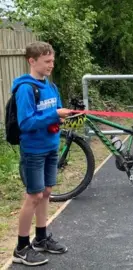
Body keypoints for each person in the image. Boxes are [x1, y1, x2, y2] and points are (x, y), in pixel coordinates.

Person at [12, 41, 71, 266]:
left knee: (46, 192)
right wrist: (55, 114)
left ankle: (42, 237)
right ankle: (21, 247)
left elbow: (57, 114)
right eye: (46, 62)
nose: (51, 65)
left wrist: (65, 116)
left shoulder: (51, 87)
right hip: (33, 150)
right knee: (33, 196)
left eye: (52, 61)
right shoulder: (26, 89)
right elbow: (25, 123)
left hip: (51, 147)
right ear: (32, 61)